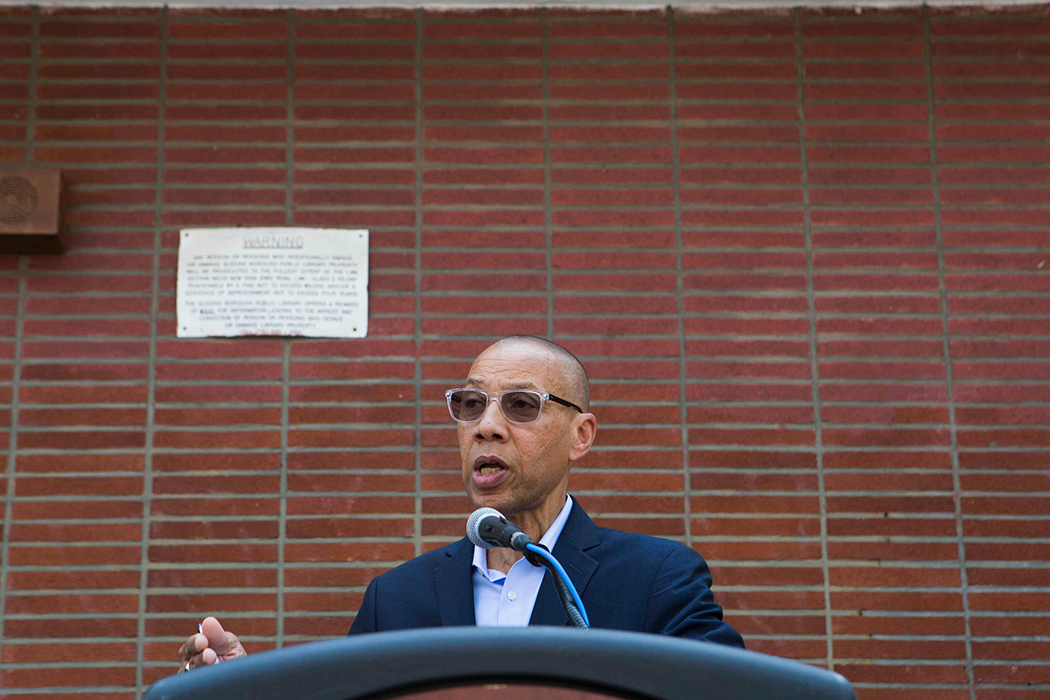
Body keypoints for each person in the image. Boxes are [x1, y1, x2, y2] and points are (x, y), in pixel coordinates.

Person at [178, 335, 743, 672]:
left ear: (582, 435)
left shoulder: (657, 578)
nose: (487, 427)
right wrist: (242, 689)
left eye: (521, 405)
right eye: (472, 404)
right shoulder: (396, 598)